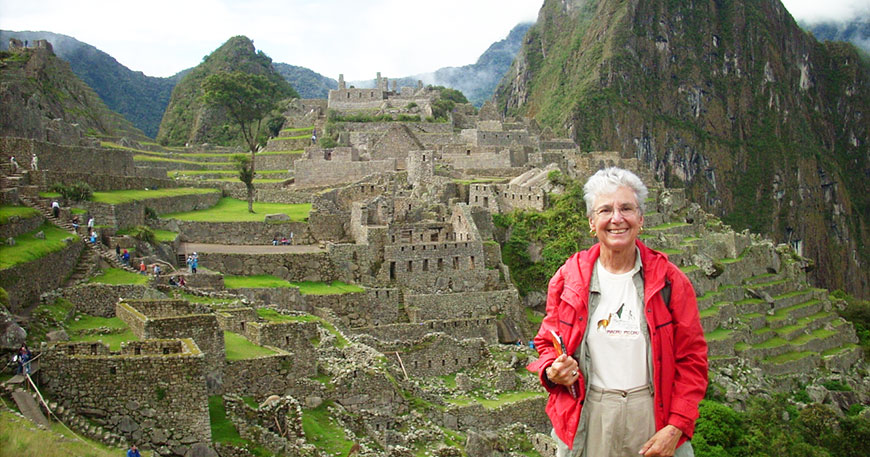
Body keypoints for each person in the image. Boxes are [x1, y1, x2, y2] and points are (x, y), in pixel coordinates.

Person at [527, 168, 707, 457]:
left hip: (652, 415)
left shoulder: (670, 282)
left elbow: (692, 360)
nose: (616, 218)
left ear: (641, 219)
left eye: (626, 208)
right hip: (590, 415)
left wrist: (677, 427)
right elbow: (547, 342)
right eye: (605, 210)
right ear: (592, 221)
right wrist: (552, 371)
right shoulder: (567, 280)